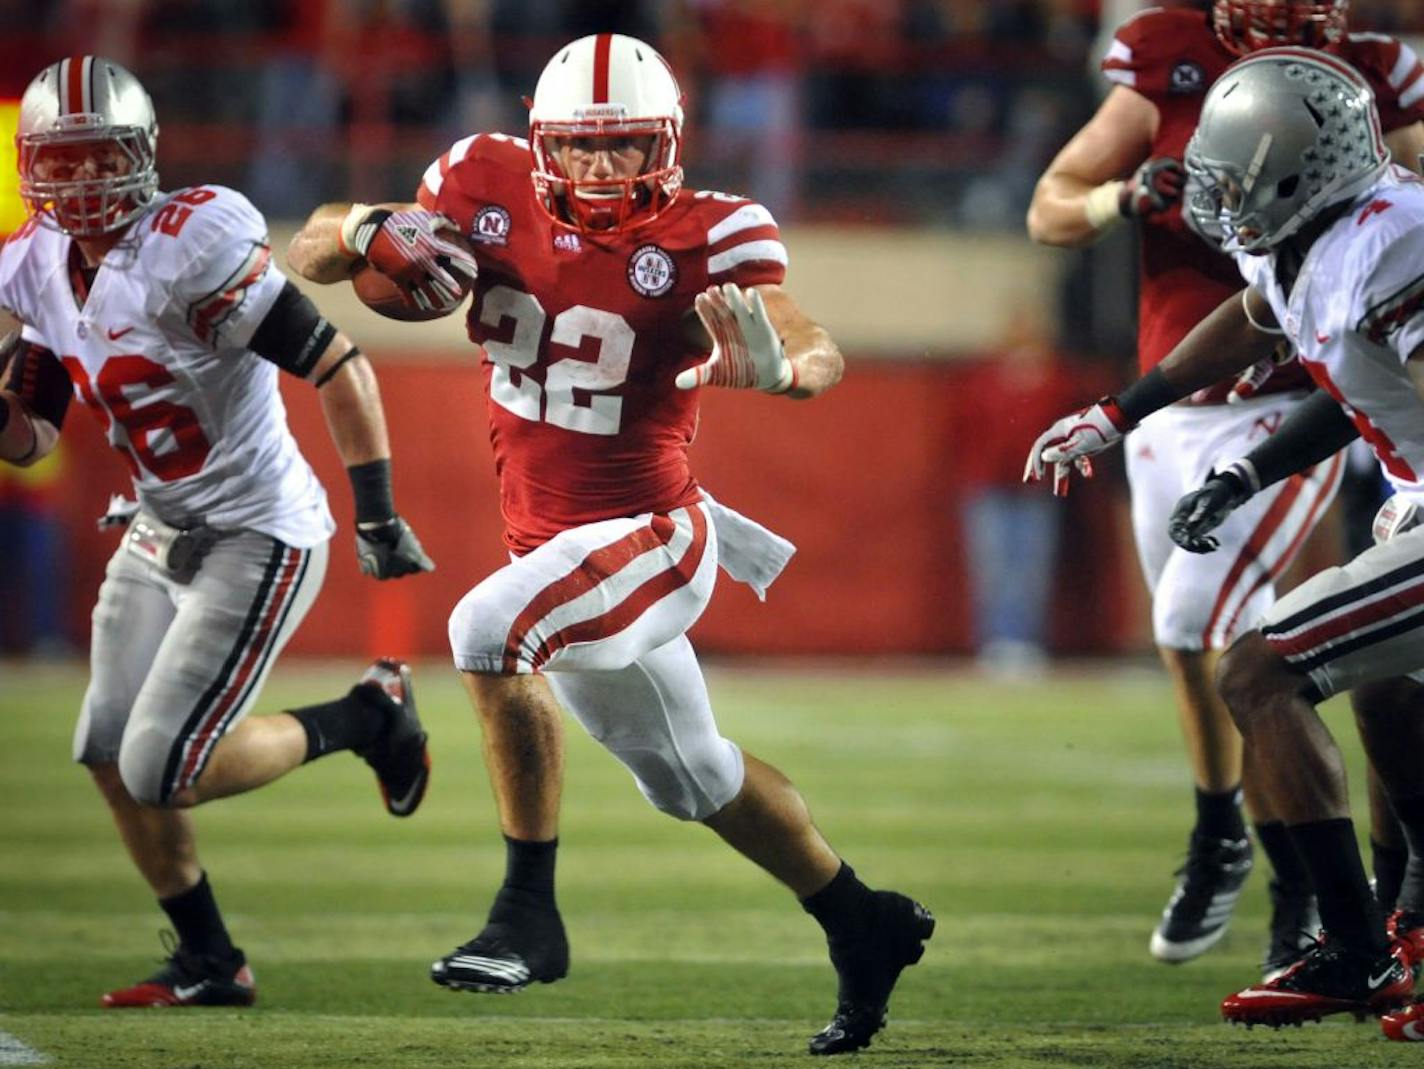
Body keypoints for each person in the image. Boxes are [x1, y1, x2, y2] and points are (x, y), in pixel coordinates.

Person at [288, 32, 933, 1056]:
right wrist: (370, 224)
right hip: (554, 546)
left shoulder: (714, 231)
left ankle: (526, 915)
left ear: (665, 145)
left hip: (653, 535)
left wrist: (781, 370)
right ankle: (863, 920)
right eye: (583, 148)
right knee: (692, 779)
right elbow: (311, 252)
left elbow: (813, 344)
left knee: (487, 629)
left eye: (626, 147)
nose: (602, 169)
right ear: (542, 143)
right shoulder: (474, 177)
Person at [0, 56, 436, 1008]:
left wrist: (378, 510)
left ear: (142, 154)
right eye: (60, 163)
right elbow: (30, 438)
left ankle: (368, 717)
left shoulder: (189, 243)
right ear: (32, 167)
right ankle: (210, 958)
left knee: (164, 766)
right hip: (157, 527)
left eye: (99, 157)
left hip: (255, 529)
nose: (81, 181)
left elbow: (340, 365)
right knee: (107, 753)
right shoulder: (29, 265)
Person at [1025, 46, 1424, 1035]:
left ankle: (1352, 952)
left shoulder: (1396, 240)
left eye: (1238, 177)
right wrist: (1123, 415)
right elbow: (1267, 327)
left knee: (1257, 671)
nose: (1217, 197)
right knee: (1382, 691)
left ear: (1303, 171)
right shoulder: (1310, 240)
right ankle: (1401, 926)